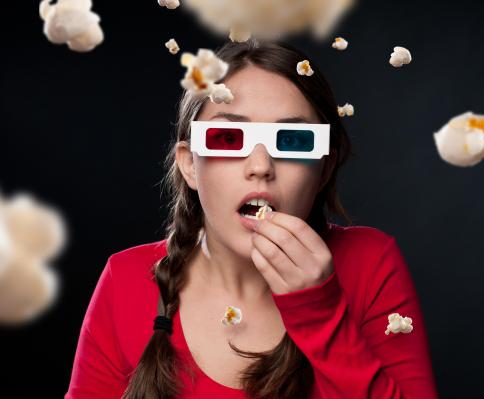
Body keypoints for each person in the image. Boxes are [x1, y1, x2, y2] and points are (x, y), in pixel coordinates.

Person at [65, 39, 438, 399]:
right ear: (190, 165)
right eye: (228, 137)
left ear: (323, 170)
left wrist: (318, 310)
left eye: (292, 141)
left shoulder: (369, 263)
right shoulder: (126, 279)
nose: (261, 167)